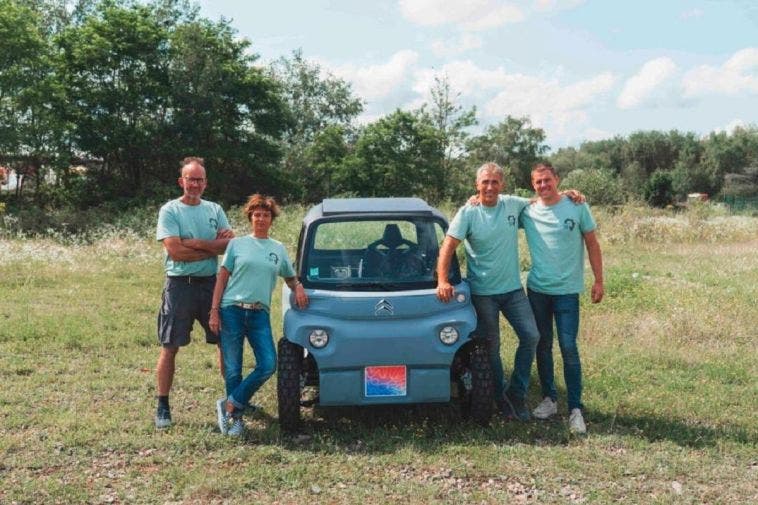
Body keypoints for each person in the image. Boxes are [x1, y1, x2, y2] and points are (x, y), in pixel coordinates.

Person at [436, 162, 541, 421]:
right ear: (477, 185)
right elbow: (448, 247)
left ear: (502, 184)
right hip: (483, 294)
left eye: (495, 182)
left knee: (531, 336)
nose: (490, 187)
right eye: (485, 182)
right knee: (491, 347)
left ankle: (516, 392)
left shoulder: (512, 204)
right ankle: (499, 398)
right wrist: (442, 280)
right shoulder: (468, 212)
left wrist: (569, 194)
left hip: (513, 291)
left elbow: (541, 201)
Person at [210, 194, 308, 437]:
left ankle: (230, 403)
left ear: (271, 219)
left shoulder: (277, 248)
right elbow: (222, 277)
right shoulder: (237, 245)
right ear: (250, 218)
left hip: (259, 313)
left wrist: (298, 286)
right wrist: (214, 311)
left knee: (268, 364)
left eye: (265, 215)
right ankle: (235, 420)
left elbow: (290, 276)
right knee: (233, 368)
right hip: (232, 309)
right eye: (257, 215)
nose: (261, 219)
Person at [520, 162, 604, 434]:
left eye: (547, 180)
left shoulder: (577, 206)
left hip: (567, 291)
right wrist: (477, 198)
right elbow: (497, 206)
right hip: (538, 291)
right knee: (543, 345)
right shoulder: (528, 211)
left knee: (568, 347)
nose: (543, 185)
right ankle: (549, 399)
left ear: (557, 179)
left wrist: (599, 280)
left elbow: (592, 243)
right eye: (538, 182)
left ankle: (576, 408)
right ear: (533, 185)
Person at [154, 156, 234, 429]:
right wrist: (211, 246)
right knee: (170, 345)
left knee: (226, 340)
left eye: (200, 179)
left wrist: (199, 243)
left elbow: (227, 248)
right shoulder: (170, 211)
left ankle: (233, 399)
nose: (195, 184)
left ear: (205, 182)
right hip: (179, 286)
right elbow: (174, 251)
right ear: (182, 181)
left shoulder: (214, 209)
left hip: (211, 285)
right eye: (191, 179)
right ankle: (163, 405)